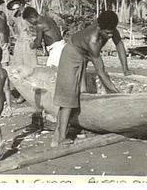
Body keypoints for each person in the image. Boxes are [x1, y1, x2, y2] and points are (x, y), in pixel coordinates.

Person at [51, 10, 132, 147]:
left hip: (83, 55)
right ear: (99, 27)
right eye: (107, 33)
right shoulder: (92, 40)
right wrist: (116, 93)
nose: (110, 35)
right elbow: (101, 72)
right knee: (68, 99)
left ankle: (60, 135)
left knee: (79, 93)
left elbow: (119, 45)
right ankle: (60, 139)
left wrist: (125, 68)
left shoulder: (109, 27)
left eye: (112, 31)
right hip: (71, 55)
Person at [6, 0, 38, 103]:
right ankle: (22, 94)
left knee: (31, 67)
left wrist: (34, 38)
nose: (15, 6)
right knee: (18, 67)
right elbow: (10, 24)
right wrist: (14, 35)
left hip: (29, 42)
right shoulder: (14, 15)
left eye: (16, 3)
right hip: (19, 43)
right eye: (13, 4)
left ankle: (34, 93)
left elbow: (36, 24)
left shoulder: (29, 12)